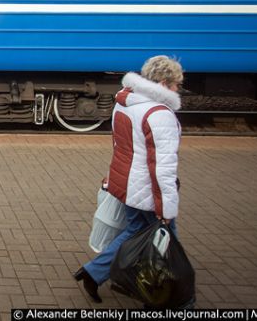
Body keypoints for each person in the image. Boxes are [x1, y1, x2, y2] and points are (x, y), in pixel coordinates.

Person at [74, 55, 184, 303]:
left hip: (128, 185)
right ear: (164, 83)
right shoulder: (159, 114)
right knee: (167, 242)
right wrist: (165, 207)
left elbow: (120, 147)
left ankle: (93, 273)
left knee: (134, 234)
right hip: (148, 191)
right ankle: (163, 295)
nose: (178, 89)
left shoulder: (125, 104)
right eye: (176, 84)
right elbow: (162, 167)